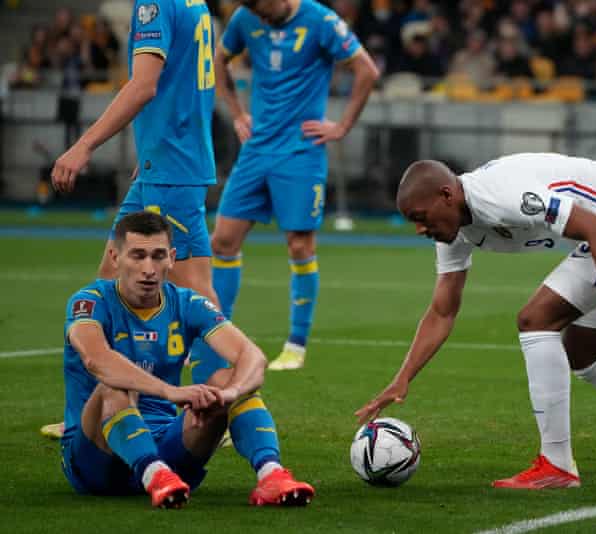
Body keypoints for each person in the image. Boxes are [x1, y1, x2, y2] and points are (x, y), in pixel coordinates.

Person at [355, 153, 596, 489]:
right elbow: (442, 312)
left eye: (420, 217)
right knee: (582, 352)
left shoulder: (502, 195)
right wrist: (403, 379)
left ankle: (557, 465)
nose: (419, 229)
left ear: (446, 195)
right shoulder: (453, 229)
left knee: (536, 319)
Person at [44, 0, 225, 439]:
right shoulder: (194, 3)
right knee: (110, 277)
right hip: (164, 165)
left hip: (171, 169)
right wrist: (151, 153)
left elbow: (144, 86)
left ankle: (224, 409)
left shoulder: (154, 3)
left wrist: (84, 146)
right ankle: (91, 413)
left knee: (196, 296)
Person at [61, 211, 314, 508]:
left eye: (157, 256)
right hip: (97, 460)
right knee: (113, 387)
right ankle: (153, 474)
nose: (148, 269)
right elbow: (97, 360)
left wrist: (229, 395)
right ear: (115, 258)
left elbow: (252, 356)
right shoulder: (90, 301)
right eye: (137, 256)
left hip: (170, 452)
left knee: (225, 380)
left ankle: (271, 475)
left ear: (171, 258)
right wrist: (170, 391)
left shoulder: (186, 302)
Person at [210, 0, 379, 372]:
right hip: (257, 149)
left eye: (261, 5)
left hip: (301, 151)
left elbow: (366, 69)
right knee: (222, 240)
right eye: (251, 8)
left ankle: (296, 346)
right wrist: (237, 114)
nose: (258, 14)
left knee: (300, 243)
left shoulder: (319, 20)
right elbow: (218, 60)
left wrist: (342, 127)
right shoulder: (245, 19)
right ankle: (216, 339)